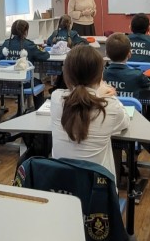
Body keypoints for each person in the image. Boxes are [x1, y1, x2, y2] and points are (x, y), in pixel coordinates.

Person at [50, 45, 130, 183]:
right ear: (100, 75)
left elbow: (81, 99)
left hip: (61, 187)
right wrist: (104, 95)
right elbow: (125, 122)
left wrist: (97, 94)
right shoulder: (110, 105)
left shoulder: (56, 98)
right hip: (98, 189)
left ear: (66, 74)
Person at [0, 20, 49, 109]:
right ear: (25, 31)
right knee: (38, 82)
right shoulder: (29, 45)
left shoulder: (6, 44)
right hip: (24, 83)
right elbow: (45, 55)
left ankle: (21, 110)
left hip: (7, 83)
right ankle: (38, 110)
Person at [103, 32, 150, 100]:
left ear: (106, 54)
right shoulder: (137, 75)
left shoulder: (100, 75)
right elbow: (148, 81)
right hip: (131, 107)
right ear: (129, 54)